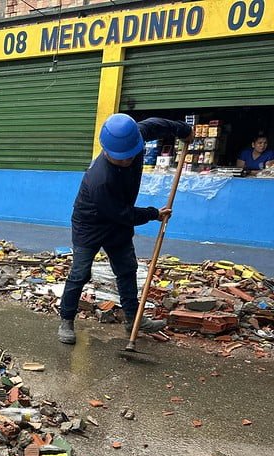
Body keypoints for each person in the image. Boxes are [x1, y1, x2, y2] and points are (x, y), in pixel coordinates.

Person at [57, 113, 194, 345]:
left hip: (118, 219)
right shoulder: (99, 179)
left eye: (130, 156)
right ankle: (66, 320)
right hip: (90, 224)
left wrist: (183, 131)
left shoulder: (134, 137)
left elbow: (158, 125)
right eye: (120, 158)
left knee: (127, 269)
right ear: (107, 151)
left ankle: (133, 319)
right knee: (80, 273)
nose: (126, 161)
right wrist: (153, 214)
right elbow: (122, 214)